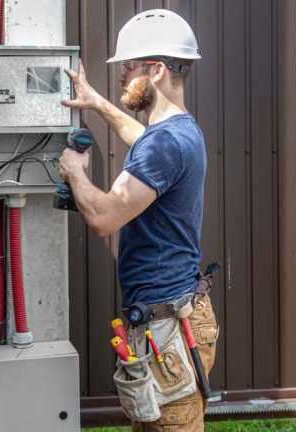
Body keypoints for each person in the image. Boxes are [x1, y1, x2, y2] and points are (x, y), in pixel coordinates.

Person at [58, 9, 219, 431]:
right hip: (172, 317)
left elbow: (103, 217)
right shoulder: (179, 133)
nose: (122, 75)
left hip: (167, 329)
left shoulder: (165, 144)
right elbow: (143, 140)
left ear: (156, 70)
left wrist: (75, 172)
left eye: (128, 67)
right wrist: (96, 102)